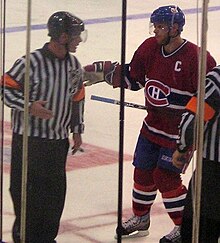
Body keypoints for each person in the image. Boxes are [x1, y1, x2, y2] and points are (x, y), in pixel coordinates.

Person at [83, 5, 216, 242]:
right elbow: (134, 79)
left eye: (161, 26)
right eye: (154, 25)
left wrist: (188, 129)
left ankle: (183, 227)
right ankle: (141, 218)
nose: (155, 30)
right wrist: (105, 73)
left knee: (165, 178)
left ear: (175, 28)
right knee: (142, 172)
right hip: (152, 127)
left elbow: (206, 100)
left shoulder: (198, 58)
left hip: (179, 134)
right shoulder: (148, 48)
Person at [1, 11, 86, 243]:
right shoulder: (30, 63)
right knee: (26, 197)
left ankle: (47, 239)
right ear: (63, 37)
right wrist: (29, 106)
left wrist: (77, 129)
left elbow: (77, 95)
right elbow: (5, 90)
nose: (79, 40)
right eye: (77, 35)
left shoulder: (73, 64)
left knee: (54, 198)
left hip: (57, 144)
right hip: (29, 143)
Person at [172, 65, 220, 242]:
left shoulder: (217, 79)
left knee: (199, 233)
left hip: (213, 175)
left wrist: (182, 147)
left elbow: (193, 118)